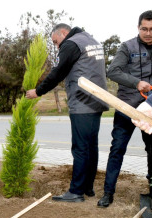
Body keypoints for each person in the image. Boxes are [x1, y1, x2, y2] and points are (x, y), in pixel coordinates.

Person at [98, 10, 152, 208]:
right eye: (144, 29)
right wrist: (136, 83)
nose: (148, 33)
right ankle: (108, 193)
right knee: (117, 149)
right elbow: (113, 71)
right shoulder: (127, 47)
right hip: (127, 107)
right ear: (138, 27)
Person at [26, 23, 109, 202]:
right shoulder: (90, 39)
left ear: (63, 33)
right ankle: (88, 188)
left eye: (56, 42)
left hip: (82, 101)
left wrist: (38, 91)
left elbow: (58, 72)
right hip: (97, 100)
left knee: (80, 148)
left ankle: (76, 192)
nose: (57, 46)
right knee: (90, 147)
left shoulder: (71, 43)